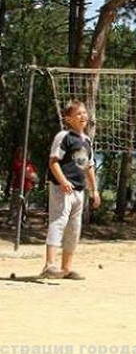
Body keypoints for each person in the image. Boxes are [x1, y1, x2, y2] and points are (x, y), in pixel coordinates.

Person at [40, 99, 101, 280]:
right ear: (68, 119)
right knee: (58, 222)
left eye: (84, 113)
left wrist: (94, 190)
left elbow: (87, 166)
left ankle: (66, 268)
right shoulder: (64, 136)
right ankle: (49, 265)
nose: (83, 116)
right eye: (78, 114)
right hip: (62, 188)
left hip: (78, 191)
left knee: (74, 228)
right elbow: (53, 162)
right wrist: (63, 181)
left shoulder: (85, 140)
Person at [6, 147, 38, 227]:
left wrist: (32, 176)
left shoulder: (29, 165)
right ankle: (12, 221)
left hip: (27, 188)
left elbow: (36, 177)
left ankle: (22, 221)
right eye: (22, 153)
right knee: (16, 205)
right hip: (18, 187)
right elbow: (25, 173)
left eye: (26, 153)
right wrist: (31, 176)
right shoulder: (17, 163)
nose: (24, 155)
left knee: (24, 206)